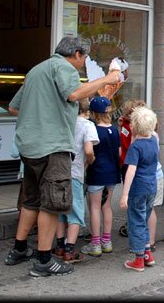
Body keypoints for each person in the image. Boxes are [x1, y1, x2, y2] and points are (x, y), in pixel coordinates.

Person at [5, 35, 124, 277]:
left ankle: (18, 249)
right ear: (77, 54)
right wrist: (108, 78)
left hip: (29, 146)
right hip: (53, 146)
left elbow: (13, 106)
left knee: (31, 200)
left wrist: (42, 112)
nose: (83, 62)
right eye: (85, 57)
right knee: (52, 203)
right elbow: (74, 94)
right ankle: (44, 260)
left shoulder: (37, 70)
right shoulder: (65, 67)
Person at [53, 98, 98, 263]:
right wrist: (90, 160)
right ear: (85, 109)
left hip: (57, 171)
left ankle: (59, 247)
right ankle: (69, 250)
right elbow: (88, 150)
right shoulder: (87, 125)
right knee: (75, 212)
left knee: (59, 211)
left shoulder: (62, 122)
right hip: (76, 172)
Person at [120, 106, 160, 272]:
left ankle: (138, 258)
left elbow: (131, 170)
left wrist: (124, 194)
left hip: (138, 188)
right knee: (144, 219)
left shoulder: (136, 147)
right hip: (152, 186)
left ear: (134, 126)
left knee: (136, 222)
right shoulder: (153, 140)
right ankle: (147, 254)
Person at [81, 96, 121, 257]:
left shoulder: (93, 129)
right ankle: (107, 241)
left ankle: (95, 243)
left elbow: (89, 152)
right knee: (107, 206)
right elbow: (119, 153)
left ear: (93, 113)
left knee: (95, 207)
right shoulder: (114, 130)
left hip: (97, 172)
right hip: (112, 172)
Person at [116, 99, 146, 239]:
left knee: (132, 197)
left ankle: (132, 225)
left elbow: (128, 146)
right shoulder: (125, 126)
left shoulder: (132, 128)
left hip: (130, 164)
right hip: (125, 163)